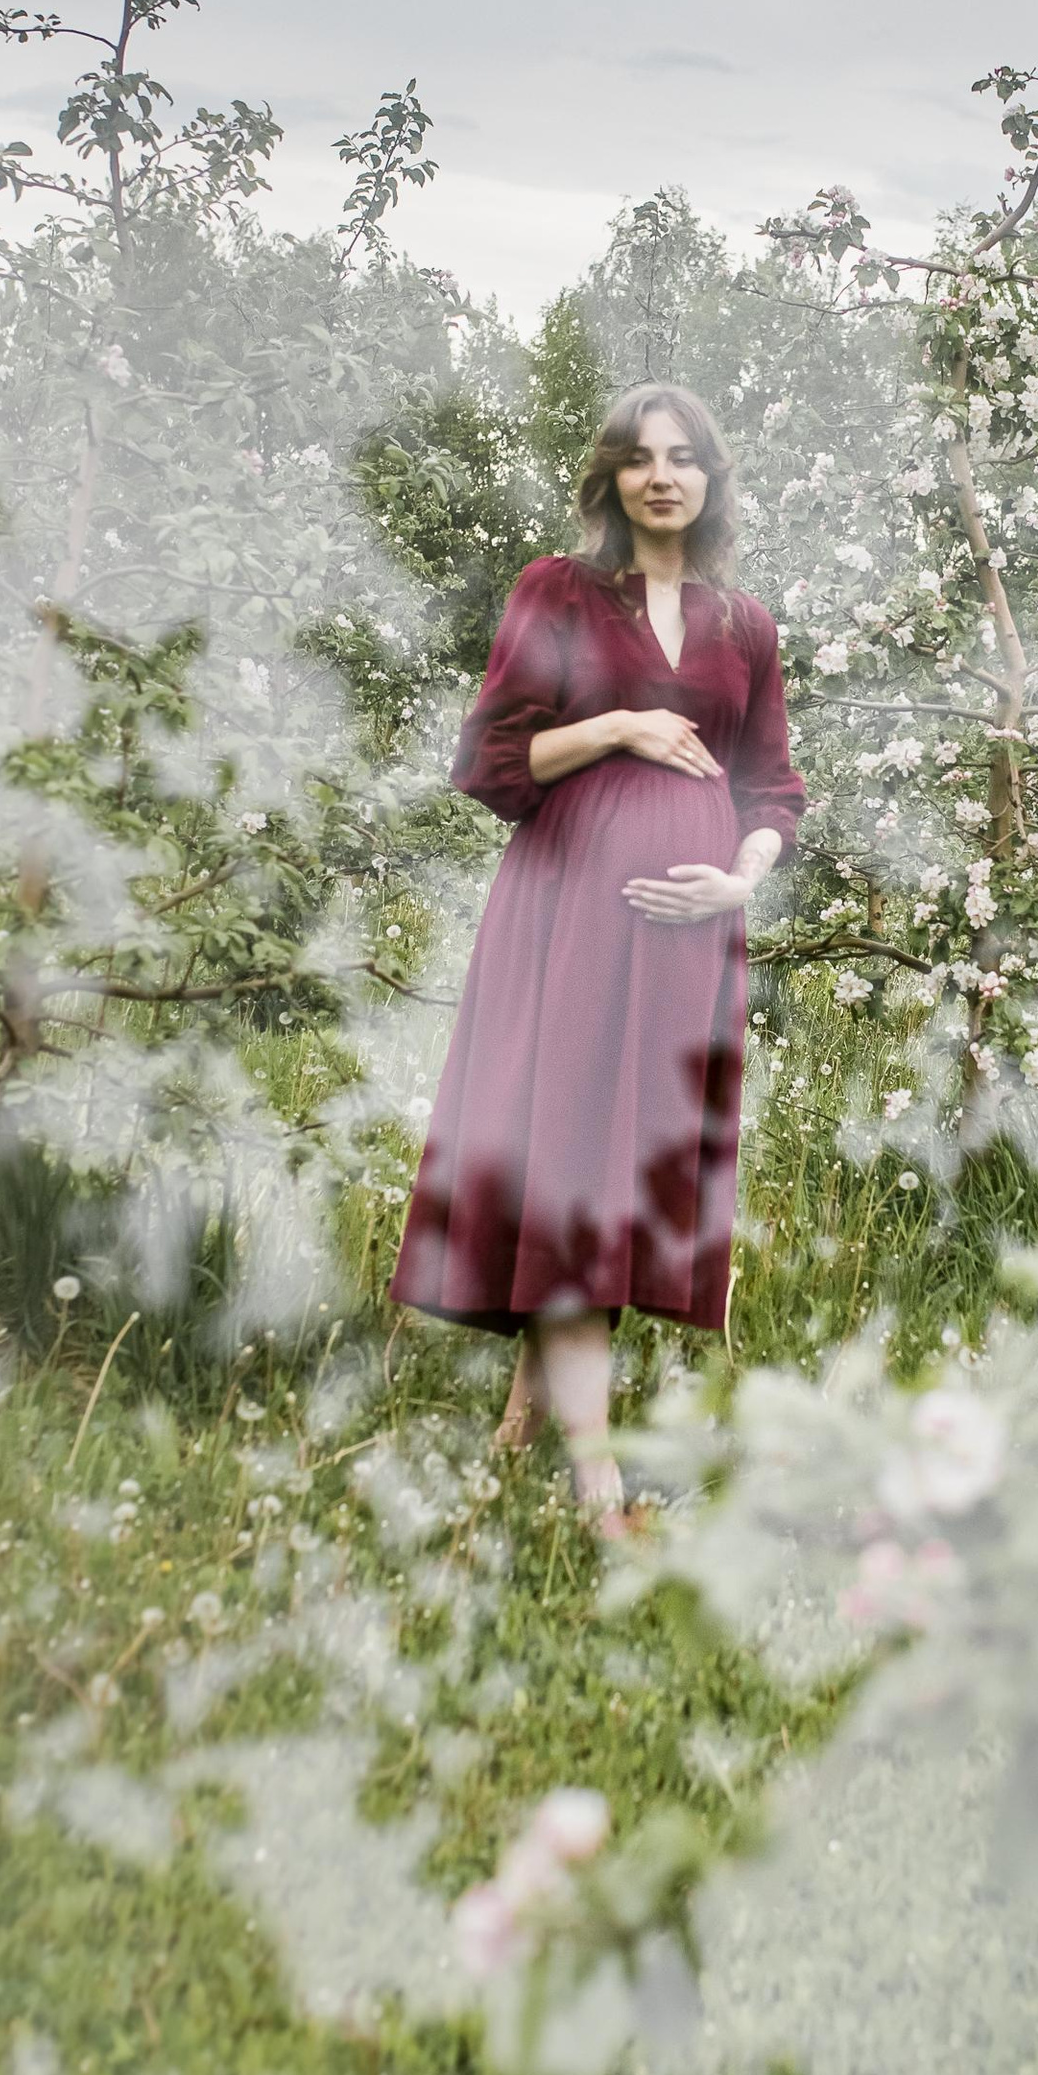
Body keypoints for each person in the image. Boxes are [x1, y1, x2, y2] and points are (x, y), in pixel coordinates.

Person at [389, 383, 804, 1528]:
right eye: (639, 458)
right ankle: (598, 1477)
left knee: (618, 1174)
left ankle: (525, 1422)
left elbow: (771, 787)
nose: (662, 476)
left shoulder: (745, 626)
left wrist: (742, 878)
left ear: (710, 478)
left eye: (683, 457)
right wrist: (619, 725)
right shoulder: (558, 591)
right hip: (567, 916)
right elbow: (489, 759)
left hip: (688, 945)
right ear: (611, 479)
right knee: (570, 1157)